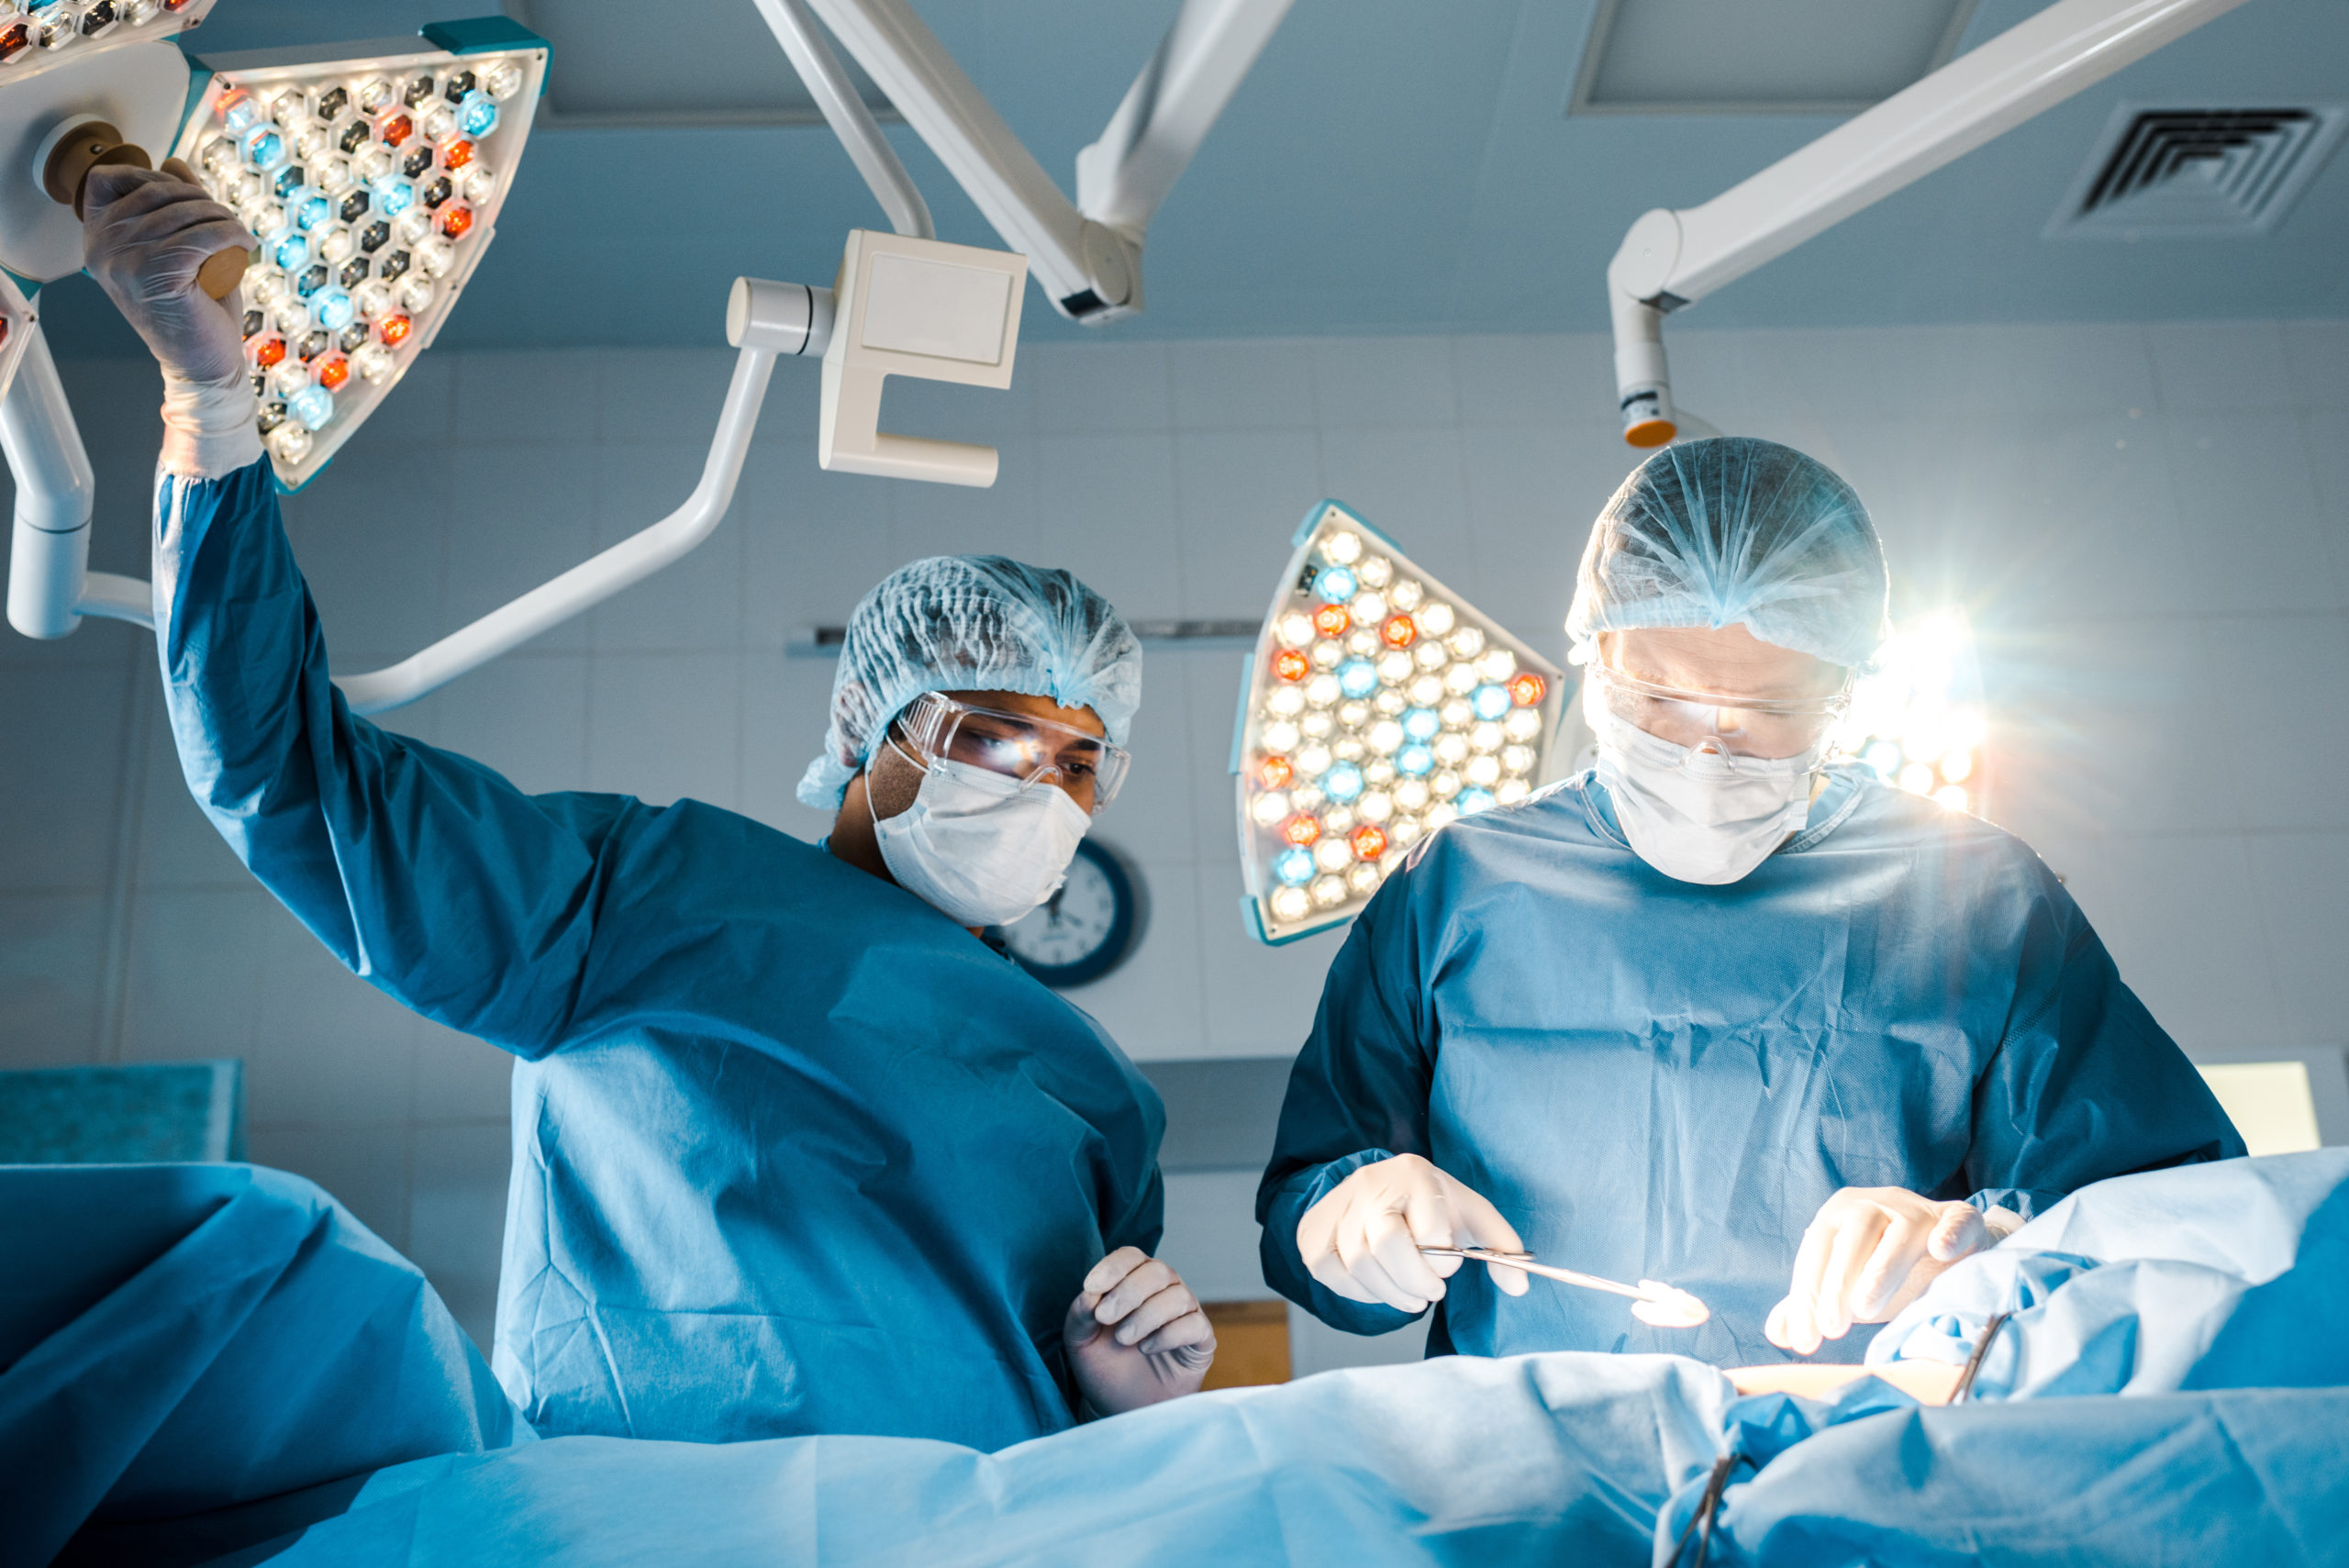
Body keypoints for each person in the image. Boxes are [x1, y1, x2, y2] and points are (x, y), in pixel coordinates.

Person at [82, 162, 1212, 1450]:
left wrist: (1122, 1400)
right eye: (998, 737)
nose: (1041, 792)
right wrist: (213, 404)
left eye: (1080, 765)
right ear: (868, 727)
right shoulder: (642, 895)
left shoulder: (1104, 1101)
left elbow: (1083, 1402)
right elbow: (287, 772)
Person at [1257, 435, 2243, 1368]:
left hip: (1868, 1457)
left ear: (1846, 693)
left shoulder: (1977, 895)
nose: (1707, 753)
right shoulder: (1456, 885)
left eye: (1769, 712)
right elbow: (1314, 1190)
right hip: (1538, 1472)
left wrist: (1984, 1243)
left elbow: (2162, 1209)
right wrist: (1349, 1218)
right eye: (1657, 702)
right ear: (1594, 662)